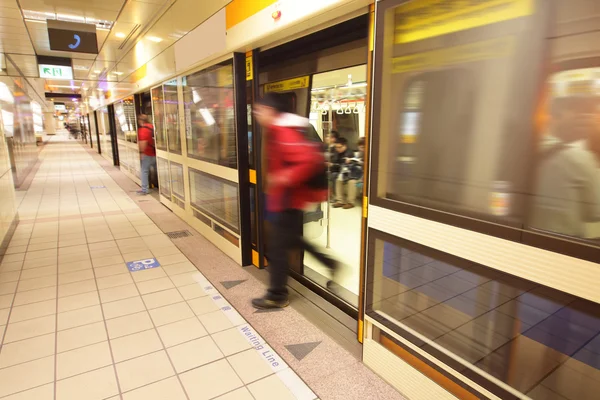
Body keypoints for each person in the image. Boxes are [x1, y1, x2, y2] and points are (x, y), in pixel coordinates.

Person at [252, 92, 338, 309]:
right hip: (288, 200)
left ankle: (277, 294)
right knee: (292, 240)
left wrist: (283, 177)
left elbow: (308, 160)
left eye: (259, 109)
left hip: (286, 201)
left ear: (270, 111)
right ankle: (330, 263)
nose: (256, 114)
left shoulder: (282, 131)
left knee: (277, 250)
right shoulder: (283, 129)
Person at [530, 81, 600, 237]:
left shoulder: (526, 151)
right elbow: (594, 213)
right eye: (579, 112)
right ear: (556, 116)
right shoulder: (579, 159)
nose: (586, 119)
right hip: (565, 248)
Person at [334, 137, 365, 209]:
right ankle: (340, 200)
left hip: (362, 176)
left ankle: (351, 202)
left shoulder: (370, 154)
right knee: (338, 180)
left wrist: (360, 163)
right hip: (354, 173)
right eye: (360, 147)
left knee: (352, 182)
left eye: (363, 147)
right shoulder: (360, 153)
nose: (361, 149)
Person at [137, 114, 156, 195]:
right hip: (155, 153)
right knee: (156, 170)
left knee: (144, 171)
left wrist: (141, 153)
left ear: (140, 120)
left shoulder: (142, 129)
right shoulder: (152, 127)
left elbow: (143, 142)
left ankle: (145, 189)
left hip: (147, 153)